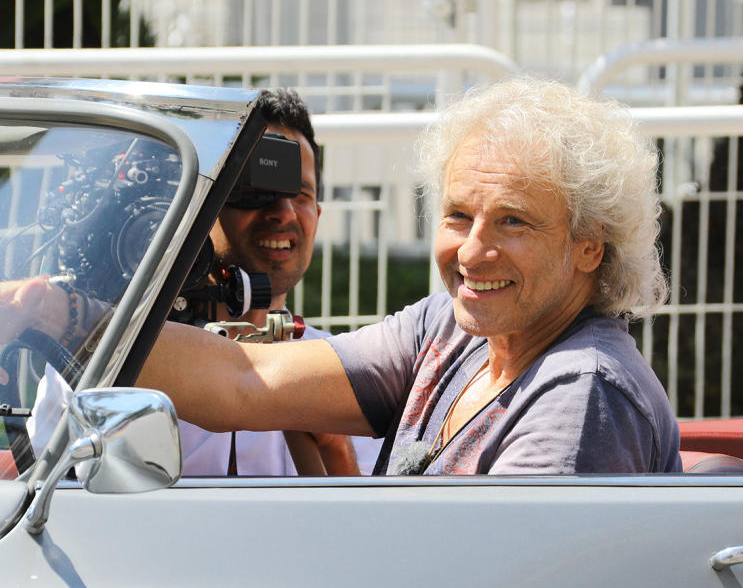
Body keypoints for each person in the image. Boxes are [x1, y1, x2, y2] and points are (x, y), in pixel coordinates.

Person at [128, 77, 681, 475]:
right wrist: (72, 319)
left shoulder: (583, 394)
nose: (473, 251)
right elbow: (246, 380)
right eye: (459, 215)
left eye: (513, 221)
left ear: (589, 246)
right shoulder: (451, 328)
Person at [0, 88, 380, 476]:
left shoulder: (337, 371)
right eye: (254, 191)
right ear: (199, 205)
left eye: (301, 195)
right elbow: (40, 491)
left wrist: (332, 448)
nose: (283, 213)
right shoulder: (113, 360)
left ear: (319, 215)